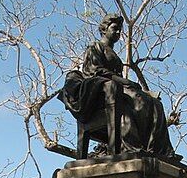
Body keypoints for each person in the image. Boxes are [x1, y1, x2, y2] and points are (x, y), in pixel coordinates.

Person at [59, 13, 178, 159]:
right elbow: (94, 72)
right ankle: (131, 147)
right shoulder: (95, 47)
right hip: (101, 96)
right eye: (114, 28)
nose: (117, 32)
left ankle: (158, 150)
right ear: (104, 29)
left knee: (155, 104)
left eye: (119, 30)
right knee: (137, 101)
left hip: (117, 90)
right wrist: (123, 82)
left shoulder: (113, 53)